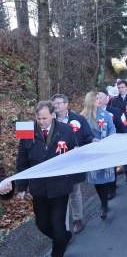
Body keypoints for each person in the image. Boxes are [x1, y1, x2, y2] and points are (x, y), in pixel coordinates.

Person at [16, 101, 75, 257]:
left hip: (60, 187)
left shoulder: (66, 130)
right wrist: (21, 187)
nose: (41, 122)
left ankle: (58, 250)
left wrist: (74, 177)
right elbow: (22, 160)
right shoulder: (26, 130)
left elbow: (75, 156)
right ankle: (63, 237)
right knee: (42, 224)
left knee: (57, 226)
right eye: (38, 118)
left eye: (44, 118)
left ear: (53, 115)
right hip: (38, 188)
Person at [51, 94, 94, 234]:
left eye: (59, 103)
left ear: (66, 104)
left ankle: (77, 219)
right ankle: (64, 229)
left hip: (75, 162)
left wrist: (82, 148)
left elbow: (88, 137)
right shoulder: (49, 121)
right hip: (57, 164)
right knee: (61, 195)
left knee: (74, 192)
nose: (56, 106)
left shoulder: (78, 119)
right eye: (54, 104)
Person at [81, 91, 116, 220]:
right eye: (96, 98)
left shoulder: (105, 114)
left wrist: (111, 138)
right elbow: (81, 134)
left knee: (105, 179)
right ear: (90, 100)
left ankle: (105, 204)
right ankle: (103, 202)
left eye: (99, 98)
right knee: (97, 180)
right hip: (92, 153)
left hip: (105, 151)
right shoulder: (83, 117)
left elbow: (112, 128)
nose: (98, 100)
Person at [98, 91, 127, 199]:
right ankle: (105, 188)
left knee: (112, 165)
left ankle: (112, 189)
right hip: (99, 144)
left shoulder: (115, 111)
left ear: (107, 99)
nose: (98, 99)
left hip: (114, 142)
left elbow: (122, 125)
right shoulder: (92, 113)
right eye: (96, 97)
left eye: (101, 97)